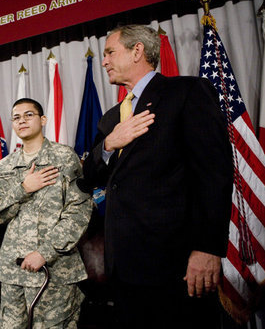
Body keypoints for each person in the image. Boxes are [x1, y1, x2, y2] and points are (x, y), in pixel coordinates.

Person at [79, 24, 233, 329]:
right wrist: (110, 143)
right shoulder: (112, 118)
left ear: (138, 51)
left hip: (175, 265)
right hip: (123, 265)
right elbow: (88, 178)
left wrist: (208, 248)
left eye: (110, 52)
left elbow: (214, 174)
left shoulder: (186, 93)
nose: (105, 60)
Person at [0, 98, 92, 329]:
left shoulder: (64, 157)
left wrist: (46, 252)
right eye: (16, 117)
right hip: (13, 273)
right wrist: (23, 188)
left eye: (29, 115)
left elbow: (79, 211)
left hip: (54, 273)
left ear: (43, 120)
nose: (22, 120)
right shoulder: (6, 164)